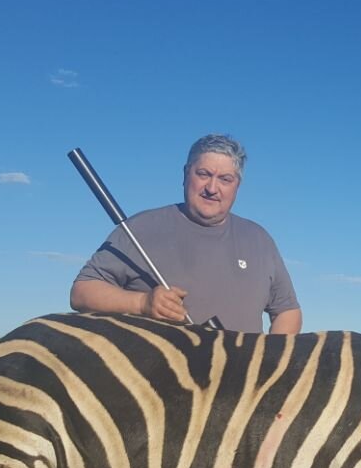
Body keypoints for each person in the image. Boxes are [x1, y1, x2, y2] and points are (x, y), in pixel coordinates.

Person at [70, 134, 302, 334]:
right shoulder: (140, 228)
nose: (212, 188)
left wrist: (268, 362)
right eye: (203, 174)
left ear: (237, 186)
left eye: (225, 179)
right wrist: (142, 303)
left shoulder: (259, 239)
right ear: (185, 174)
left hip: (241, 382)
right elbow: (82, 292)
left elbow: (287, 311)